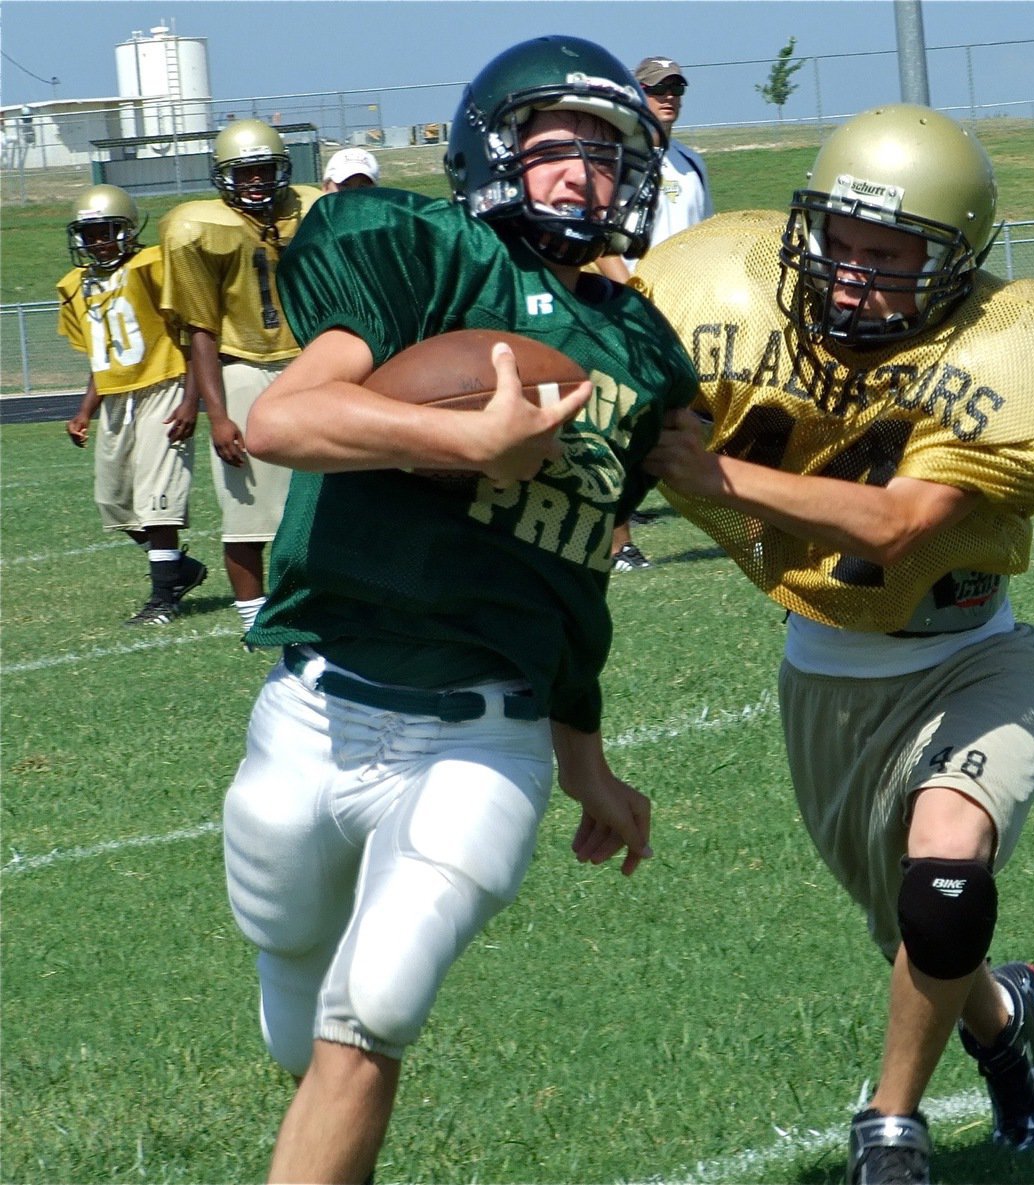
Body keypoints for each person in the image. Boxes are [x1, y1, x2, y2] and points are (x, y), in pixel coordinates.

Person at [221, 35, 697, 1184]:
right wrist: (466, 440)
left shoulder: (644, 350)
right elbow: (284, 422)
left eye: (606, 151)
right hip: (316, 706)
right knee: (302, 1013)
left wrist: (584, 758)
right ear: (494, 153)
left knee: (371, 1013)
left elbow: (571, 571)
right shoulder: (420, 250)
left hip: (484, 734)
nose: (584, 172)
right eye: (555, 149)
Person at [635, 104, 1034, 1185]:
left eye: (889, 254)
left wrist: (711, 477)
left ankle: (890, 1131)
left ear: (953, 263)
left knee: (944, 886)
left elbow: (900, 526)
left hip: (970, 658)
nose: (853, 274)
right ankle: (1006, 1023)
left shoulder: (1011, 347)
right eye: (840, 244)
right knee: (922, 937)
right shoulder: (730, 291)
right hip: (826, 674)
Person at [158, 119, 321, 634]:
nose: (255, 182)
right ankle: (254, 618)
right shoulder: (196, 228)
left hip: (308, 361)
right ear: (223, 176)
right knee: (246, 507)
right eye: (244, 172)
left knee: (325, 496)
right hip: (242, 366)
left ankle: (327, 601)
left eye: (264, 170)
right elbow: (201, 329)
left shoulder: (312, 209)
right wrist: (218, 414)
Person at [57, 184, 208, 626]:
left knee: (156, 499)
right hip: (116, 399)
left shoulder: (152, 265)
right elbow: (100, 355)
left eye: (105, 231)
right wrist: (85, 409)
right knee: (115, 501)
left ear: (126, 229)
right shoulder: (76, 286)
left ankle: (164, 597)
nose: (97, 241)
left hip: (163, 387)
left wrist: (190, 400)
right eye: (89, 234)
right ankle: (181, 569)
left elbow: (193, 332)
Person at [600, 55, 713, 573]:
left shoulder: (692, 164)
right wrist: (633, 297)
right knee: (621, 422)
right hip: (630, 311)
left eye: (676, 87)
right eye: (657, 88)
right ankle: (617, 542)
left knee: (692, 418)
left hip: (689, 315)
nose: (668, 96)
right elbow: (602, 242)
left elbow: (707, 240)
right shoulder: (619, 161)